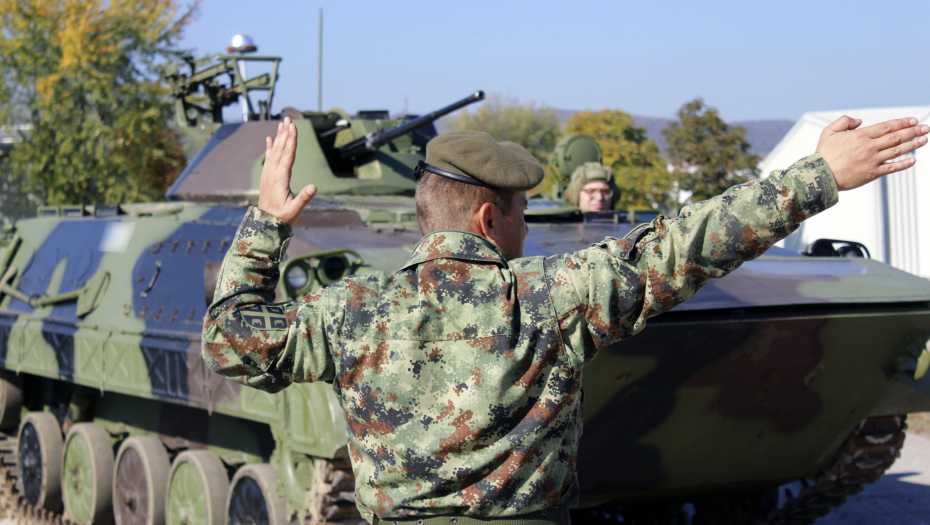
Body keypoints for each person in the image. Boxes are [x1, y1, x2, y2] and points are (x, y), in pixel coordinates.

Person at [203, 116, 928, 525]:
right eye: (521, 213)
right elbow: (690, 244)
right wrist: (819, 174)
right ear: (489, 218)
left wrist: (265, 223)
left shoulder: (351, 311)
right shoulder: (553, 295)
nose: (527, 227)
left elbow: (229, 336)